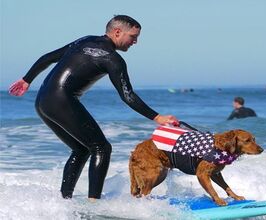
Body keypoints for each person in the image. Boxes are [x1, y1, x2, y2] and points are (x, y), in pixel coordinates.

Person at [8, 15, 178, 201]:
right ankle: (93, 203)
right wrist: (157, 117)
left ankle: (64, 201)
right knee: (101, 148)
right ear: (117, 32)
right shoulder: (113, 59)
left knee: (81, 149)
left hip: (43, 101)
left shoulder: (84, 40)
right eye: (133, 36)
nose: (135, 42)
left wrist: (27, 80)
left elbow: (48, 58)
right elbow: (128, 96)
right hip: (62, 101)